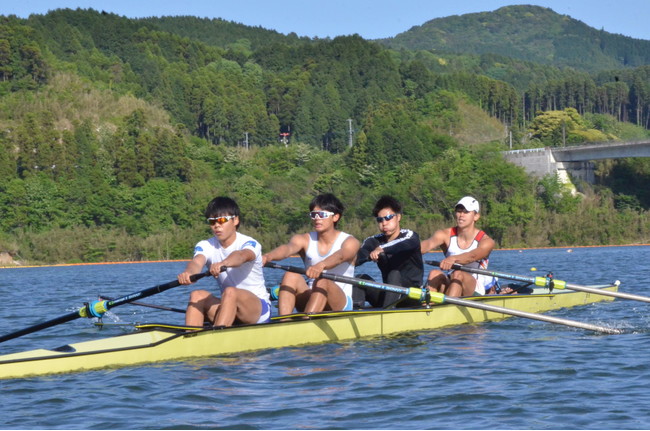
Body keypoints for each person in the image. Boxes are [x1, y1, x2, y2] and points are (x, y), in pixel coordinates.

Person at [178, 196, 271, 327]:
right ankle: (190, 337)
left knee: (230, 292)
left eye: (222, 220)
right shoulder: (206, 245)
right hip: (228, 306)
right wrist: (188, 273)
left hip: (257, 310)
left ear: (235, 220)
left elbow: (241, 256)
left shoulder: (249, 243)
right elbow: (197, 262)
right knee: (197, 295)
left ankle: (218, 337)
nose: (217, 225)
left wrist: (224, 263)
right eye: (212, 222)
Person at [262, 193, 360, 315]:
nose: (317, 218)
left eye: (322, 215)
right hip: (312, 298)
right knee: (291, 275)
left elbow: (340, 256)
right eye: (314, 215)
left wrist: (322, 265)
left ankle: (307, 322)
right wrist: (268, 256)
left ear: (335, 217)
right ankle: (284, 321)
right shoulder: (303, 239)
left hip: (339, 303)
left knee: (322, 281)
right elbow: (287, 249)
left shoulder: (350, 242)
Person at [354, 196, 424, 308]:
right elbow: (359, 256)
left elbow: (402, 244)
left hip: (411, 296)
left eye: (388, 218)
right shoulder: (373, 241)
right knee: (359, 279)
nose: (384, 223)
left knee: (394, 274)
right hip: (389, 294)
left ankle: (386, 313)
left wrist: (382, 249)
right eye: (380, 220)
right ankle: (354, 314)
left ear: (398, 217)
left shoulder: (410, 236)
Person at [420, 196, 496, 297]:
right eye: (459, 211)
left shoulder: (486, 241)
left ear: (476, 216)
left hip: (476, 288)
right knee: (434, 273)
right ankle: (428, 306)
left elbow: (472, 256)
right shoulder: (444, 234)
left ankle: (448, 308)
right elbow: (427, 244)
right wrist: (408, 251)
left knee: (458, 274)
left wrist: (453, 259)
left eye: (466, 212)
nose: (461, 215)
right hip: (452, 281)